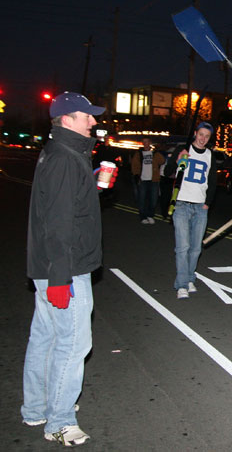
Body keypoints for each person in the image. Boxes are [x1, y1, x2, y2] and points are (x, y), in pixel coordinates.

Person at [22, 91, 108, 446]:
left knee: (45, 337)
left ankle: (35, 408)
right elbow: (57, 224)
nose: (94, 121)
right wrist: (61, 278)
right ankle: (59, 420)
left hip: (52, 265)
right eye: (87, 116)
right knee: (73, 343)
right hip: (66, 268)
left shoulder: (65, 154)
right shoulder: (63, 159)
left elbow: (69, 208)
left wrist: (95, 186)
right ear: (68, 119)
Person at [163, 122, 217, 299]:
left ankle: (190, 277)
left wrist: (207, 203)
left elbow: (213, 181)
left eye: (207, 136)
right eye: (200, 134)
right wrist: (178, 160)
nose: (203, 139)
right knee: (183, 246)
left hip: (200, 206)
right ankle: (181, 284)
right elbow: (167, 171)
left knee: (195, 248)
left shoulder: (210, 155)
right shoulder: (183, 149)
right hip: (181, 204)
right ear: (195, 134)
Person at [130, 136, 165, 224]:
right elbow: (134, 166)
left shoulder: (154, 153)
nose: (146, 144)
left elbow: (162, 161)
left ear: (150, 143)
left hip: (154, 180)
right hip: (143, 180)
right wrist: (137, 176)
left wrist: (157, 152)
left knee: (153, 199)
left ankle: (150, 215)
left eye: (147, 142)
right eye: (144, 142)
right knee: (142, 199)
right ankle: (143, 216)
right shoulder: (139, 153)